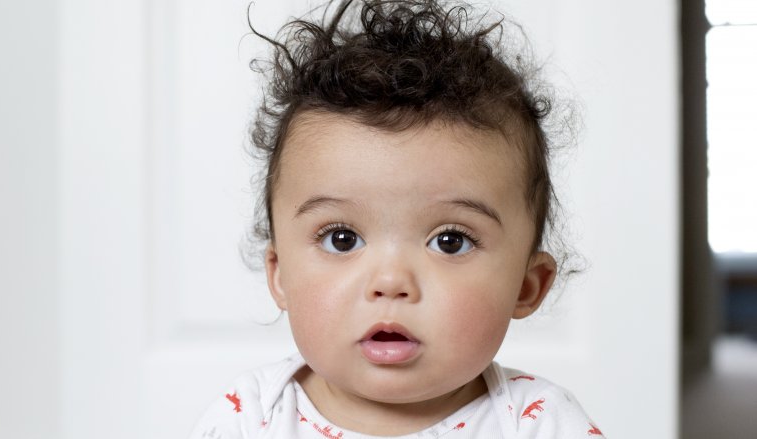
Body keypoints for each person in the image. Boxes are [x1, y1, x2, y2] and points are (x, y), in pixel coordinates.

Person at [189, 0, 604, 437]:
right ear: (280, 275)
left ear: (526, 285)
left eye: (450, 241)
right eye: (342, 238)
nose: (390, 281)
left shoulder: (540, 424)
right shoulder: (250, 419)